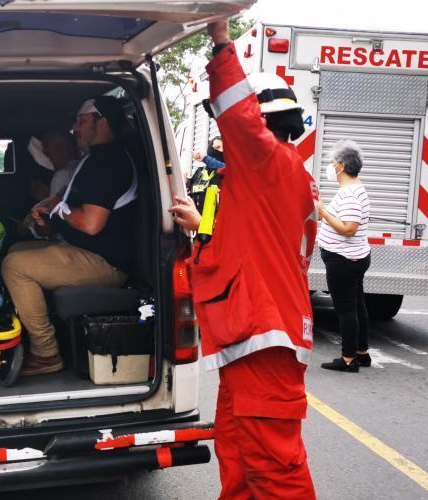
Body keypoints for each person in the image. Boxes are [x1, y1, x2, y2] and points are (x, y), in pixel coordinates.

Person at [169, 20, 318, 498]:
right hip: (253, 340)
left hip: (262, 340)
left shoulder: (267, 160)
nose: (222, 133)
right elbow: (249, 244)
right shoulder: (275, 179)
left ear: (264, 124)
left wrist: (220, 39)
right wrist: (200, 226)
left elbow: (238, 117)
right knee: (238, 452)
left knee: (274, 468)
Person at [1, 96, 136, 376]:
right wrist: (52, 212)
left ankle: (46, 352)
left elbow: (90, 224)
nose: (75, 129)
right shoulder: (93, 160)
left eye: (82, 121)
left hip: (105, 263)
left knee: (14, 267)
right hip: (86, 251)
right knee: (15, 251)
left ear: (103, 122)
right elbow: (71, 208)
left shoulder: (108, 163)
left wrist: (58, 210)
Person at [318, 140, 371, 372]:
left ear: (340, 166)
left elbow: (349, 228)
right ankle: (362, 352)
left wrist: (323, 213)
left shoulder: (350, 194)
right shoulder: (356, 189)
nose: (330, 167)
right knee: (357, 305)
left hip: (344, 259)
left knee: (346, 309)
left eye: (332, 163)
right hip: (353, 257)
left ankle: (349, 359)